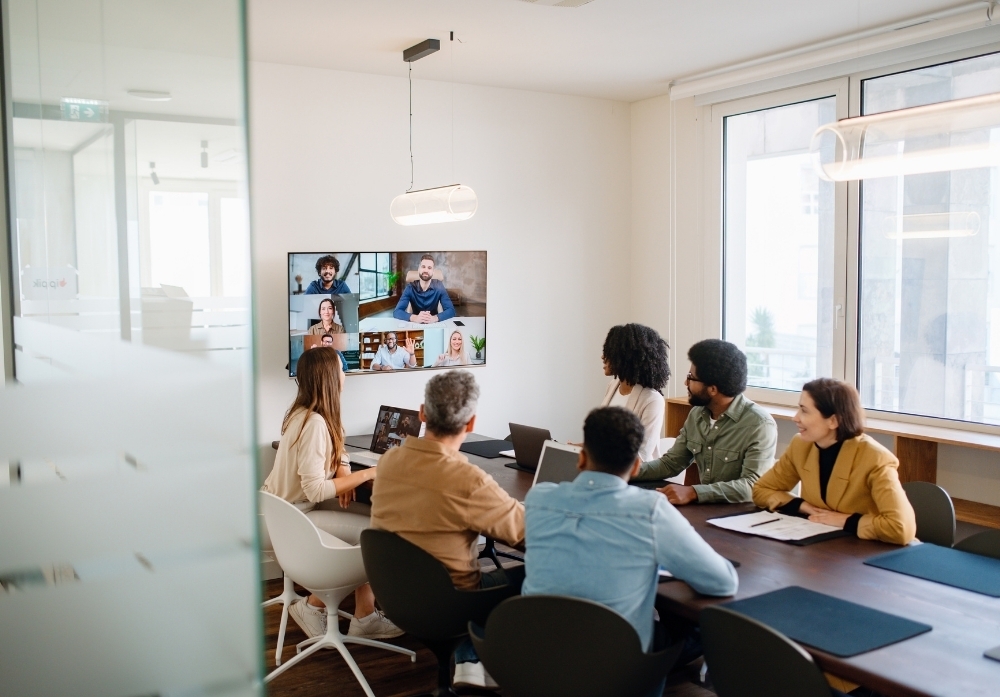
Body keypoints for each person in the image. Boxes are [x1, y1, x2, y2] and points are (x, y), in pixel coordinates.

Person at [523, 407, 738, 694]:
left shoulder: (538, 497)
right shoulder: (650, 511)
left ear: (582, 456)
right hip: (616, 665)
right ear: (637, 466)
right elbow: (722, 581)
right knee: (697, 630)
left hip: (536, 652)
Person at [371, 371, 524, 690]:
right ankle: (492, 661)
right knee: (527, 573)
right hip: (449, 605)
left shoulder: (388, 462)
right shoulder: (468, 480)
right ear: (471, 424)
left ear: (423, 412)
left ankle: (470, 660)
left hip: (394, 596)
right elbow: (526, 532)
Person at [261, 347, 402, 640]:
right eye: (341, 368)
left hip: (287, 509)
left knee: (379, 520)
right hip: (293, 515)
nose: (345, 374)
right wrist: (371, 472)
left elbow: (338, 450)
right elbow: (314, 488)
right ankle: (313, 606)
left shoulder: (312, 413)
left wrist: (344, 471)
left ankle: (365, 615)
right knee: (378, 540)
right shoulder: (313, 423)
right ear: (329, 377)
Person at [753, 378, 917, 545]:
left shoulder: (875, 458)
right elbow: (762, 490)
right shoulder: (801, 445)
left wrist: (846, 520)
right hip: (821, 545)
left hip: (868, 550)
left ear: (833, 421)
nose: (796, 418)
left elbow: (901, 528)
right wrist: (801, 505)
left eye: (804, 411)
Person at [634, 339, 777, 505]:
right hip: (706, 509)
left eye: (691, 378)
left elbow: (752, 486)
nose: (685, 383)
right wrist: (628, 471)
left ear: (713, 389)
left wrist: (694, 492)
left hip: (741, 515)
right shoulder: (697, 414)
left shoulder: (759, 424)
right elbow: (671, 463)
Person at [600, 323, 670, 462]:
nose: (603, 357)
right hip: (605, 468)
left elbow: (641, 455)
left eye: (609, 352)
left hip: (636, 475)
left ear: (625, 357)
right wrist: (580, 448)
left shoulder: (652, 399)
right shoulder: (613, 386)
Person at [392, 254, 456, 323]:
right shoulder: (410, 287)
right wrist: (415, 318)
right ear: (419, 269)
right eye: (423, 267)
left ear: (433, 271)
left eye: (429, 268)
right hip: (416, 324)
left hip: (433, 323)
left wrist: (435, 318)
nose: (426, 270)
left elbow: (451, 310)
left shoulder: (439, 286)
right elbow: (397, 311)